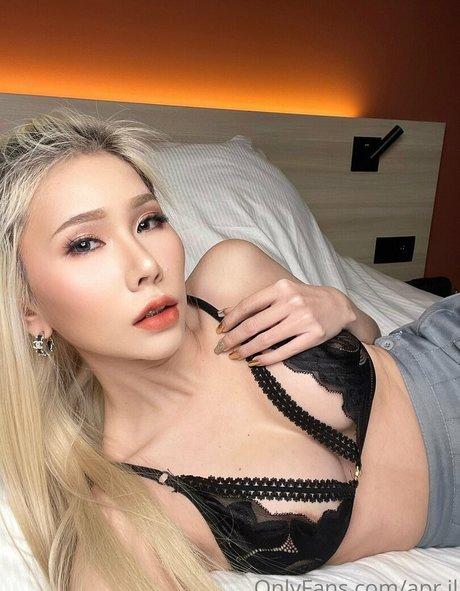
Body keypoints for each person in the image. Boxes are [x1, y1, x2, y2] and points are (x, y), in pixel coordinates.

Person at [0, 110, 458, 591]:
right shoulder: (134, 506)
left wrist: (340, 308)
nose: (146, 264)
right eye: (85, 244)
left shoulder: (230, 276)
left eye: (148, 221)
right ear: (29, 308)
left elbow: (372, 338)